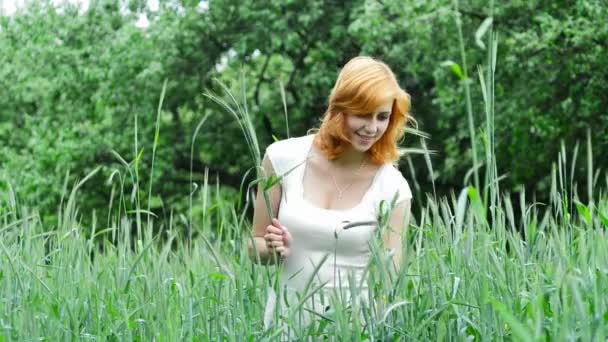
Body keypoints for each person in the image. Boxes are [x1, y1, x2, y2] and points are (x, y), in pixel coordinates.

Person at [247, 56, 413, 338]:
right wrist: (271, 250)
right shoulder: (282, 158)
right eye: (363, 113)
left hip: (353, 331)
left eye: (382, 117)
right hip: (284, 329)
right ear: (340, 108)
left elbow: (389, 286)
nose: (372, 128)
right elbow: (254, 245)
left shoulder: (393, 187)